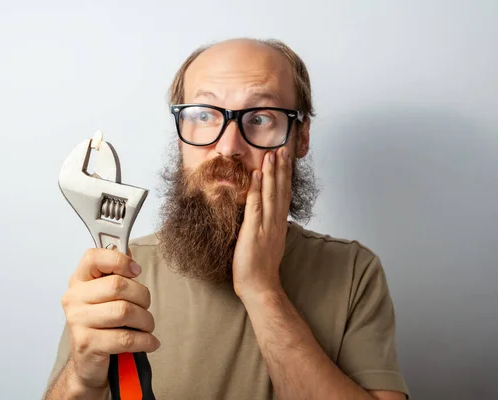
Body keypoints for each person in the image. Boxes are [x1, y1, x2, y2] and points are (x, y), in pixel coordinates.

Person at [43, 38, 410, 400]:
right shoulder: (117, 274)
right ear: (180, 136)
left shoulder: (353, 273)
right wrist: (81, 380)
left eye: (261, 118)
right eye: (204, 114)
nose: (229, 146)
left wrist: (262, 289)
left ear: (301, 137)